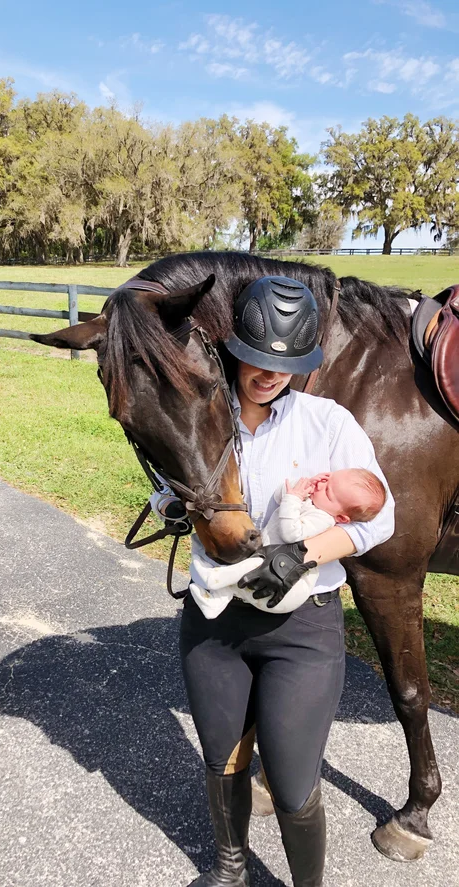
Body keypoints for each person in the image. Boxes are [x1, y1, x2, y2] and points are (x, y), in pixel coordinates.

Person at [170, 276, 395, 887]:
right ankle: (230, 863)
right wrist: (171, 503)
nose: (271, 375)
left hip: (304, 628)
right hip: (216, 620)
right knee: (222, 760)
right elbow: (173, 488)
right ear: (235, 348)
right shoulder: (201, 418)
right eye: (260, 360)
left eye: (286, 364)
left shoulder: (329, 424)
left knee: (294, 782)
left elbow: (383, 519)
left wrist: (303, 554)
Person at [188, 468, 387, 618]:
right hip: (270, 569)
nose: (321, 486)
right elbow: (279, 497)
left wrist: (293, 499)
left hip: (287, 586)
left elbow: (291, 533)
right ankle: (214, 603)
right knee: (244, 575)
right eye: (327, 479)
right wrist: (296, 489)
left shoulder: (323, 519)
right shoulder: (310, 503)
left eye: (328, 492)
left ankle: (215, 577)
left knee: (254, 565)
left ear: (342, 518)